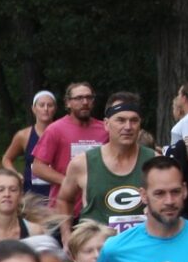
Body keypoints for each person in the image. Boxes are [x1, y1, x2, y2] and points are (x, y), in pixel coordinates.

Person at [56, 93, 154, 233]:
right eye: (120, 120)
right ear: (106, 124)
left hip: (141, 248)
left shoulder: (154, 161)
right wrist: (66, 237)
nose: (128, 127)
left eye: (134, 120)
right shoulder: (83, 163)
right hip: (97, 250)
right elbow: (64, 200)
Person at [1, 91, 59, 201]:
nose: (45, 109)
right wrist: (15, 175)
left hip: (58, 194)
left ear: (55, 109)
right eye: (41, 105)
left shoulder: (62, 133)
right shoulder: (24, 135)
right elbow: (6, 158)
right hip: (31, 195)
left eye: (50, 105)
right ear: (33, 109)